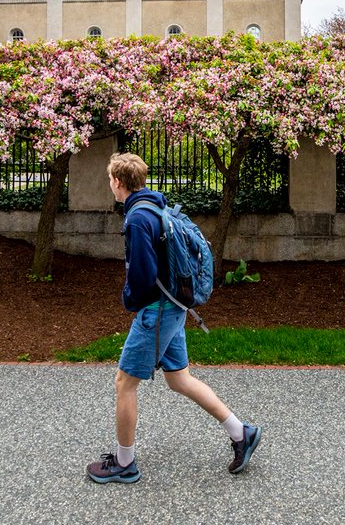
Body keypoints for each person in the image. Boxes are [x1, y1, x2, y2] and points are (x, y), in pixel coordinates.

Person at [87, 152, 262, 484]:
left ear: (118, 182)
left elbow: (142, 275)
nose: (110, 184)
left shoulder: (138, 218)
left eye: (111, 179)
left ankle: (125, 464)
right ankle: (242, 432)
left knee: (124, 383)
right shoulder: (156, 207)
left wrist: (130, 300)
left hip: (157, 311)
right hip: (175, 306)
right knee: (178, 379)